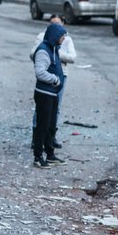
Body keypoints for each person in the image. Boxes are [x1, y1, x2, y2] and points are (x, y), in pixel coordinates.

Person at [29, 14, 76, 149]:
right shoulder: (43, 39)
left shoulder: (66, 39)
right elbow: (34, 55)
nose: (55, 26)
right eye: (52, 23)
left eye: (58, 23)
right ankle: (37, 139)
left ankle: (50, 138)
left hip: (61, 77)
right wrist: (53, 51)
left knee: (56, 108)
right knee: (42, 110)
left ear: (63, 24)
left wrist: (56, 52)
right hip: (48, 82)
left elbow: (73, 57)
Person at [31, 23, 68, 169]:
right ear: (54, 36)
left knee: (51, 125)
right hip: (44, 94)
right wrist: (55, 79)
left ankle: (50, 154)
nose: (64, 39)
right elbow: (40, 72)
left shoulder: (54, 49)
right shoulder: (43, 51)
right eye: (62, 36)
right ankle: (38, 156)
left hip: (53, 94)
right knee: (43, 125)